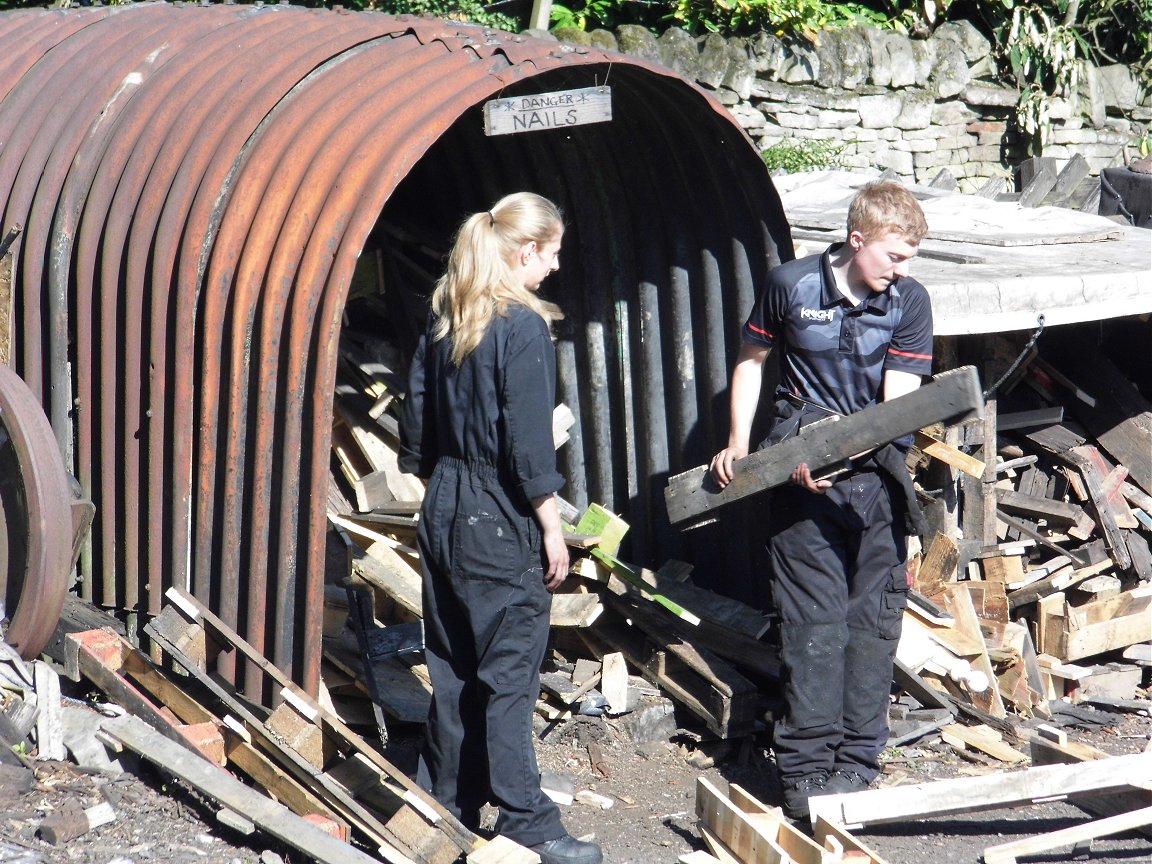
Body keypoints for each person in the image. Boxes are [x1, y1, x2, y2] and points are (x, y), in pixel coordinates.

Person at [709, 180, 933, 821]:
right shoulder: (790, 285)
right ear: (856, 241)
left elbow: (897, 406)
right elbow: (752, 362)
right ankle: (805, 774)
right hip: (799, 479)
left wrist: (842, 454)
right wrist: (745, 445)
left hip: (876, 481)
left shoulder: (909, 302)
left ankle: (858, 767)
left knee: (871, 626)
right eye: (894, 255)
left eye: (911, 257)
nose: (904, 269)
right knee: (813, 626)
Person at [398, 192, 602, 864]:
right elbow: (528, 447)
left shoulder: (447, 314)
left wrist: (445, 490)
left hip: (446, 504)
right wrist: (550, 525)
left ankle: (447, 804)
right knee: (510, 676)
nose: (556, 265)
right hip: (498, 513)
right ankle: (527, 822)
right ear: (525, 250)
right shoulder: (522, 327)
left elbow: (418, 421)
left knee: (454, 667)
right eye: (552, 252)